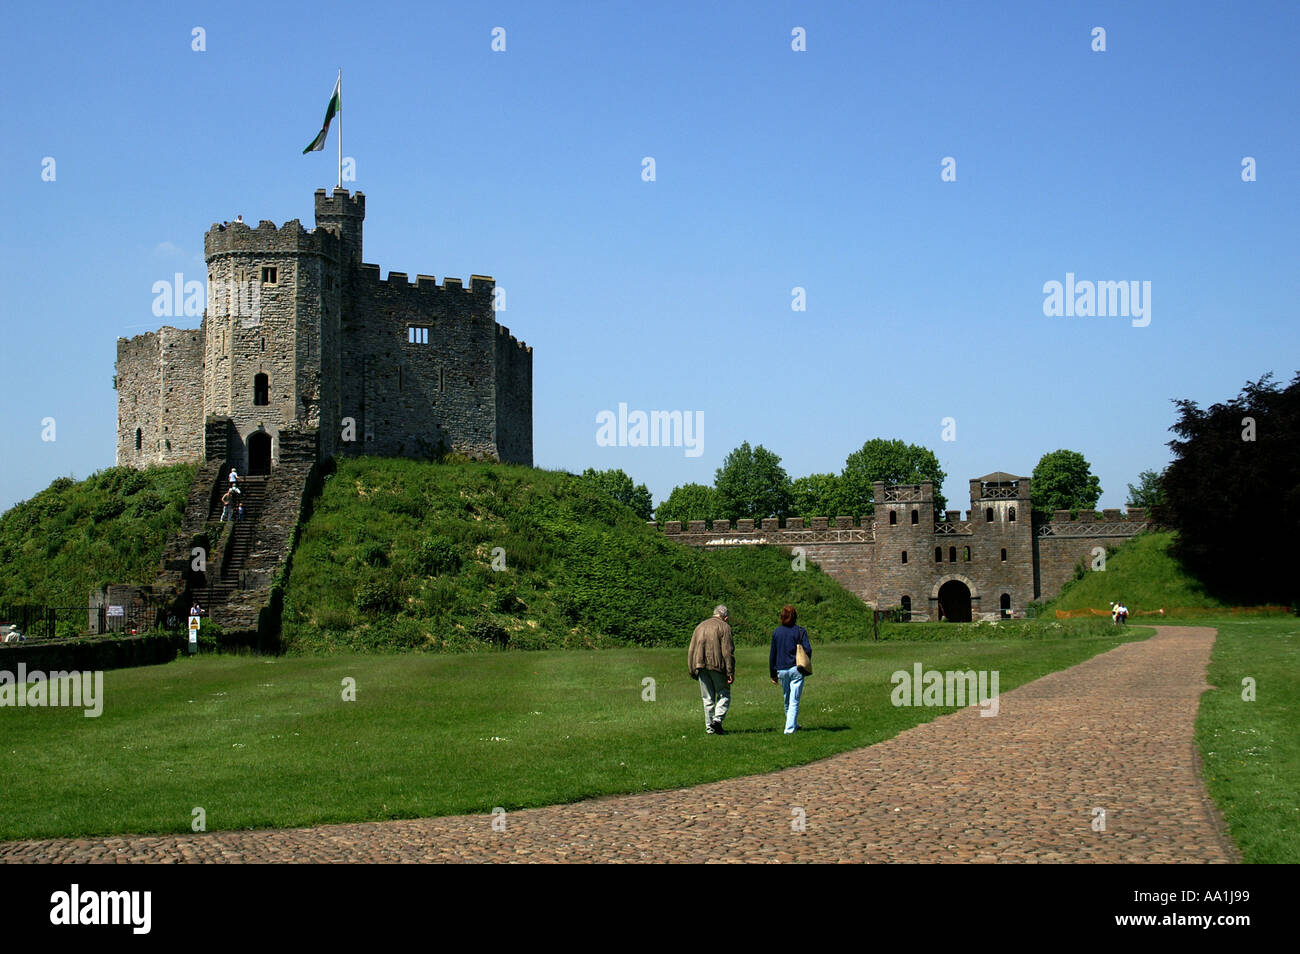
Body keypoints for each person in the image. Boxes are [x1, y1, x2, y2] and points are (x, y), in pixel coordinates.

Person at [688, 605, 735, 735]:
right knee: (724, 693)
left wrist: (692, 668)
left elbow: (691, 649)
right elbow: (727, 652)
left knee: (707, 697)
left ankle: (710, 728)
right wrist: (730, 671)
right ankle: (717, 719)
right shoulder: (725, 627)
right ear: (725, 617)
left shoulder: (700, 626)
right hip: (717, 666)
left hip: (700, 665)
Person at [769, 604, 811, 734]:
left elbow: (772, 655)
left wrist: (772, 674)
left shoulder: (776, 632)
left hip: (781, 670)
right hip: (796, 668)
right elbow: (808, 649)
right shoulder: (800, 631)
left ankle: (792, 723)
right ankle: (789, 729)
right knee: (794, 700)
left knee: (787, 699)